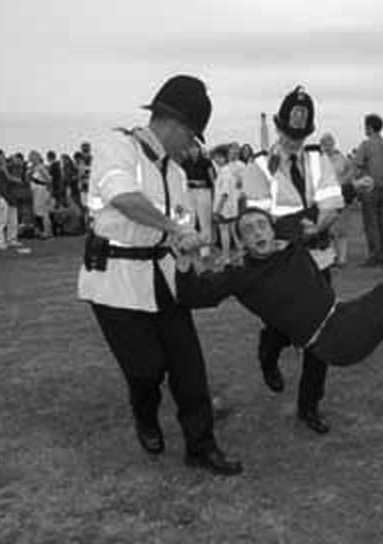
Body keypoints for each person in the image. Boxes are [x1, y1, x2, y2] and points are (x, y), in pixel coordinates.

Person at [77, 74, 242, 475]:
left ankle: (201, 446)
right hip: (115, 280)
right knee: (145, 369)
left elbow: (180, 226)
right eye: (192, 136)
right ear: (174, 124)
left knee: (189, 366)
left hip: (163, 277)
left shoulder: (177, 174)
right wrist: (173, 228)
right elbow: (123, 198)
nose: (192, 146)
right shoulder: (118, 147)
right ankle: (145, 415)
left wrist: (191, 249)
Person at [177, 189, 383, 369]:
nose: (257, 232)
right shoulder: (238, 275)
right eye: (248, 230)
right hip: (333, 341)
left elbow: (321, 207)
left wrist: (354, 186)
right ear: (242, 242)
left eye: (261, 225)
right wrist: (184, 258)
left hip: (342, 316)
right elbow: (195, 296)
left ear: (271, 228)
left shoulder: (287, 239)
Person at [240, 86, 344, 433]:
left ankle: (309, 406)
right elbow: (259, 221)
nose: (293, 141)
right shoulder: (258, 165)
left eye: (300, 134)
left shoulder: (318, 159)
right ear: (278, 126)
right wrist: (304, 223)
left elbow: (332, 202)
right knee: (283, 327)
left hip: (318, 258)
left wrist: (318, 224)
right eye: (287, 132)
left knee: (322, 333)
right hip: (281, 264)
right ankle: (269, 350)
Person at [354, 113, 383, 267]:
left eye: (365, 126)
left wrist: (354, 182)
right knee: (382, 223)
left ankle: (374, 256)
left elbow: (357, 166)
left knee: (371, 224)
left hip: (369, 189)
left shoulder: (366, 145)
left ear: (369, 127)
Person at [320, 132, 354, 267]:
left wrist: (343, 181)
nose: (327, 146)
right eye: (324, 143)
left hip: (341, 197)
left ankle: (342, 259)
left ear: (333, 143)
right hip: (325, 199)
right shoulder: (319, 159)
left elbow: (350, 171)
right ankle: (333, 256)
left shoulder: (341, 157)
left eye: (329, 143)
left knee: (341, 229)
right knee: (328, 229)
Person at [0, 149, 27, 252]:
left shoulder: (10, 167)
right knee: (1, 221)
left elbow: (18, 180)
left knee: (13, 220)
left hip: (12, 196)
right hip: (1, 197)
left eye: (1, 158)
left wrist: (6, 170)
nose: (0, 160)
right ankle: (0, 242)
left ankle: (12, 239)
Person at [28, 150, 54, 239]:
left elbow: (49, 179)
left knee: (42, 211)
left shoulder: (41, 167)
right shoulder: (33, 168)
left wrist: (48, 189)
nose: (31, 159)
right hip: (36, 190)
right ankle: (42, 231)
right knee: (38, 211)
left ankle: (46, 231)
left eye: (33, 158)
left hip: (41, 190)